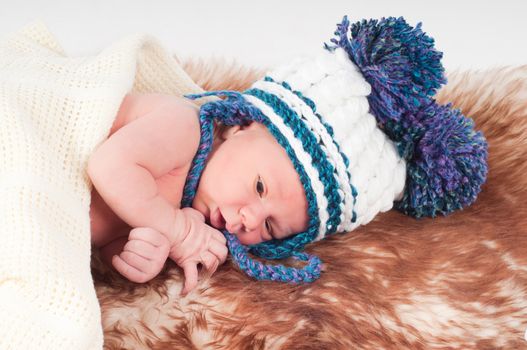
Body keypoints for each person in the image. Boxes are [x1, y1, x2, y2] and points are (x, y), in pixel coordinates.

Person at [89, 16, 489, 294]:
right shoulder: (184, 128)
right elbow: (109, 167)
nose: (248, 218)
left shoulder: (186, 212)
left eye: (269, 228)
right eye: (260, 187)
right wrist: (175, 230)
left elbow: (106, 232)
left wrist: (137, 254)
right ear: (242, 126)